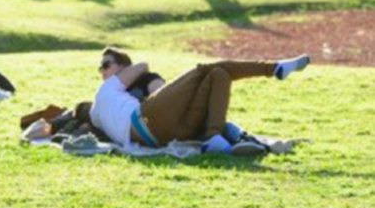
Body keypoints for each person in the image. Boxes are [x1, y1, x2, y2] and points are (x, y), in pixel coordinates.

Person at [90, 49, 310, 154]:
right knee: (202, 70)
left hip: (169, 132)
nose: (101, 70)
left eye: (106, 65)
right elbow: (142, 65)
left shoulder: (119, 91)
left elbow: (148, 73)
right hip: (147, 121)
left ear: (121, 67)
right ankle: (273, 68)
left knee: (219, 75)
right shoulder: (103, 92)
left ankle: (214, 137)